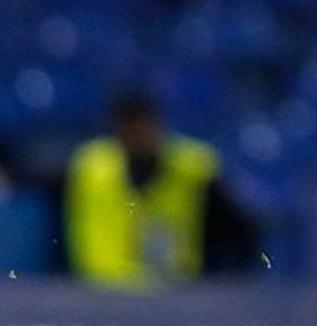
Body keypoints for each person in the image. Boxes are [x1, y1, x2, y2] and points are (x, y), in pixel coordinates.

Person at [64, 91, 257, 289]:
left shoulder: (195, 167)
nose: (136, 136)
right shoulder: (91, 167)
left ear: (159, 125)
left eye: (142, 126)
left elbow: (236, 232)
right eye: (128, 127)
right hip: (100, 291)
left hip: (176, 291)